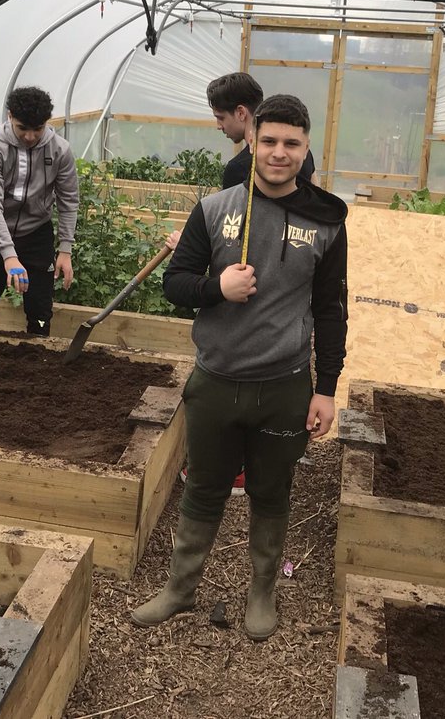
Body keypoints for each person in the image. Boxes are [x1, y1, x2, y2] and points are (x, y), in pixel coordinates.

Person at [133, 93, 348, 640]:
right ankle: (180, 590)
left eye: (291, 144)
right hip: (216, 381)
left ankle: (261, 593)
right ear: (252, 141)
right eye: (269, 141)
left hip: (283, 385)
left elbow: (330, 310)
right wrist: (217, 288)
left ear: (306, 149)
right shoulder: (215, 208)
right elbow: (174, 283)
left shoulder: (327, 222)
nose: (279, 153)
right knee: (204, 486)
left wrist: (326, 389)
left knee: (272, 491)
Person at [0, 86, 79, 335]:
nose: (30, 136)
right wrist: (8, 255)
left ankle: (38, 358)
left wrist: (65, 249)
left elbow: (68, 200)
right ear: (10, 117)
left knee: (40, 315)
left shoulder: (59, 151)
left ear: (46, 123)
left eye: (37, 129)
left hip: (37, 237)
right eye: (22, 128)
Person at [208, 72, 316, 189]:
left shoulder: (238, 169)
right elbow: (317, 196)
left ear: (241, 113)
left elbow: (232, 205)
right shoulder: (301, 154)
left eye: (220, 118)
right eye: (269, 142)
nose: (219, 126)